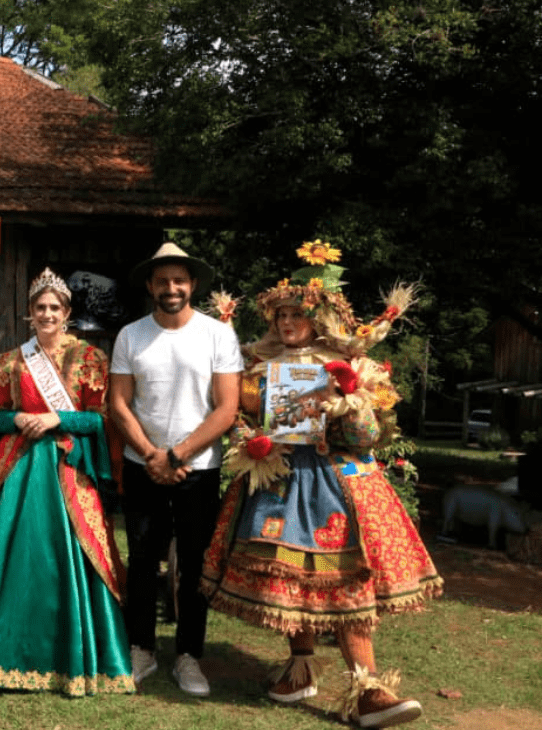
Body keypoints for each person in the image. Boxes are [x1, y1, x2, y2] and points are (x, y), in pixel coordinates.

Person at [200, 241, 442, 728]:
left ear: (321, 318)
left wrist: (346, 405)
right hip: (281, 482)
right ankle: (300, 668)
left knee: (346, 581)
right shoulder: (256, 366)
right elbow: (243, 419)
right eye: (281, 314)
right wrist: (253, 443)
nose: (287, 322)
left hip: (338, 486)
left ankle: (368, 688)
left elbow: (371, 435)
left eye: (297, 314)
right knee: (292, 585)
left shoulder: (351, 365)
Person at [0, 268, 134, 696]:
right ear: (29, 313)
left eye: (54, 307)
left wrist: (59, 417)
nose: (46, 314)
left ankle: (71, 657)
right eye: (39, 307)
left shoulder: (91, 359)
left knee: (65, 556)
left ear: (67, 312)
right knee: (4, 554)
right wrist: (17, 418)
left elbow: (101, 418)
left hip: (66, 471)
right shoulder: (10, 362)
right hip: (18, 469)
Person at [108, 242, 243, 696]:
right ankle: (141, 648)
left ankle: (189, 656)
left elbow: (226, 409)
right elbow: (119, 404)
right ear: (150, 286)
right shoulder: (131, 335)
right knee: (143, 560)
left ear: (193, 285)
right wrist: (151, 454)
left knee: (193, 563)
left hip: (198, 469)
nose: (171, 288)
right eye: (162, 280)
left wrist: (178, 454)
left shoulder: (217, 335)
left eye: (179, 280)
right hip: (143, 465)